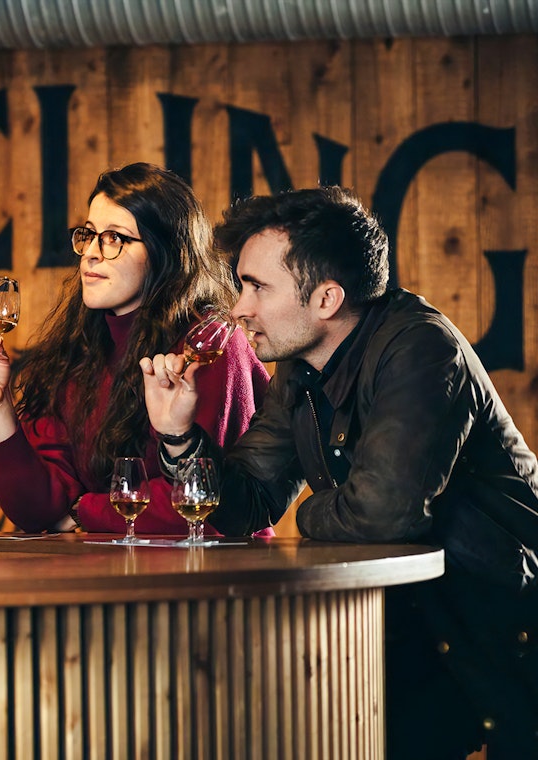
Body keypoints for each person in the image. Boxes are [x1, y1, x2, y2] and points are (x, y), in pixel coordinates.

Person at [140, 186, 538, 757]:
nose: (238, 307)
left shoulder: (421, 348)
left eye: (256, 287)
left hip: (502, 626)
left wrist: (310, 509)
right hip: (411, 630)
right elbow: (248, 502)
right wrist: (178, 433)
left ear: (326, 298)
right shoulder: (301, 371)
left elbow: (382, 513)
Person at [0, 163, 269, 534]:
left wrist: (84, 512)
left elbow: (199, 501)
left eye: (114, 238)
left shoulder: (210, 345)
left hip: (213, 577)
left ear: (163, 251)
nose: (90, 252)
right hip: (111, 572)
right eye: (88, 234)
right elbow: (36, 509)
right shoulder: (80, 347)